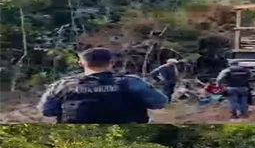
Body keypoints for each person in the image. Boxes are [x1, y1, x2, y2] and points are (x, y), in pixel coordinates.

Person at [38, 47, 167, 123]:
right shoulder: (131, 82)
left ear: (81, 63)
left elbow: (47, 111)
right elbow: (160, 103)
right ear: (112, 62)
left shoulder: (63, 85)